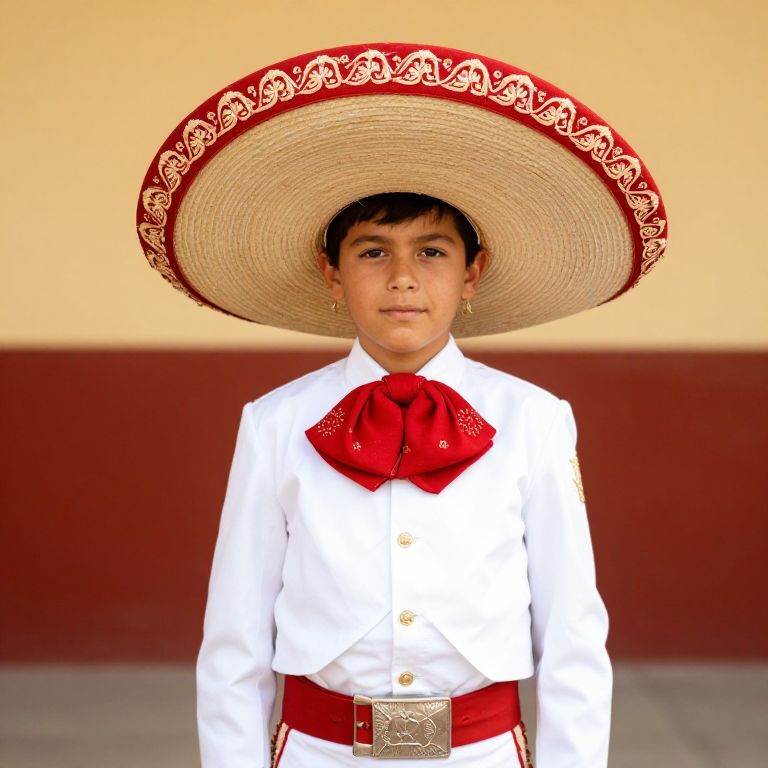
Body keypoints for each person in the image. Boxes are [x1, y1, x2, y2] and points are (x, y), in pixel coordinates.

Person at [135, 43, 668, 768]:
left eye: (433, 252)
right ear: (332, 272)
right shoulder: (275, 422)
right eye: (373, 252)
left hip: (482, 754)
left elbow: (574, 636)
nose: (404, 279)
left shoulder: (534, 419)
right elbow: (234, 641)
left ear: (473, 272)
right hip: (318, 753)